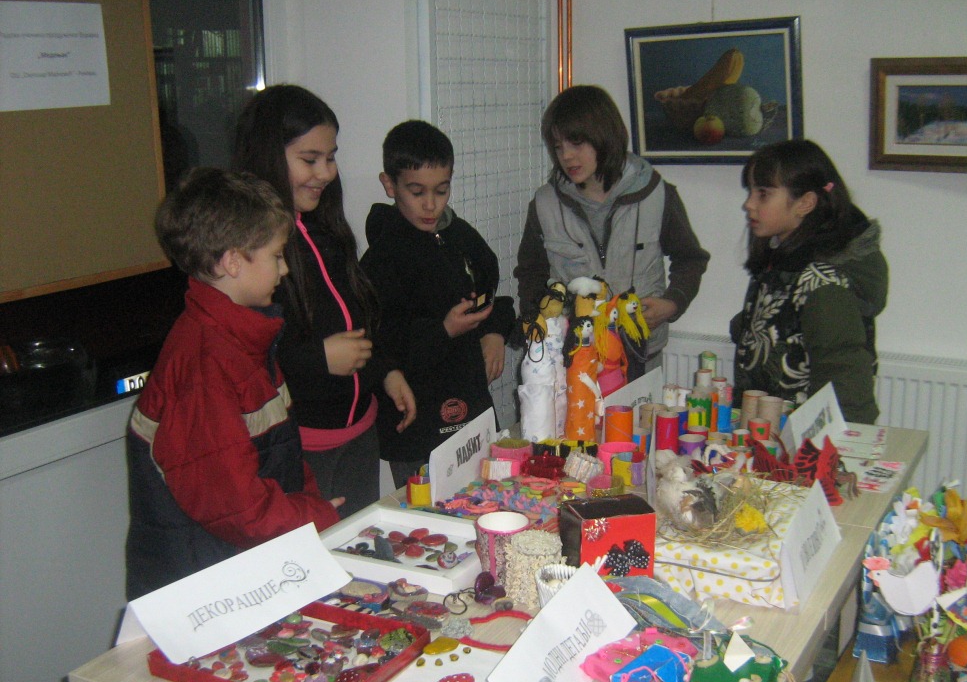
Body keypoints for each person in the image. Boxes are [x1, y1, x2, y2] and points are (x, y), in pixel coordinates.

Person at [125, 168, 344, 598]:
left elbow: (282, 454)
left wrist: (310, 508)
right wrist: (313, 518)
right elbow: (238, 508)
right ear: (232, 261)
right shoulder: (204, 363)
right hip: (203, 587)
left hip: (248, 564)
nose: (284, 269)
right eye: (276, 256)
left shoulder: (245, 338)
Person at [233, 85, 415, 513]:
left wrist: (384, 370)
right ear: (269, 157)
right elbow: (249, 355)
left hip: (360, 431)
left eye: (330, 157)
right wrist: (318, 358)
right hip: (302, 443)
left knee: (358, 544)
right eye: (310, 159)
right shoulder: (250, 253)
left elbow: (359, 318)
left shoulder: (328, 228)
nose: (327, 173)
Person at [361, 120, 516, 487]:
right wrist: (444, 330)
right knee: (425, 514)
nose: (430, 205)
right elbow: (380, 347)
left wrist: (494, 332)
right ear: (389, 185)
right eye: (416, 192)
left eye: (441, 190)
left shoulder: (460, 236)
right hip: (417, 426)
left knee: (487, 499)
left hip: (471, 410)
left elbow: (489, 298)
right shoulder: (381, 260)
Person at [514, 84, 709, 371]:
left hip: (640, 356)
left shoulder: (655, 193)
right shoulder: (545, 203)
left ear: (604, 136)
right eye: (558, 146)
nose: (566, 156)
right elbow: (531, 273)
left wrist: (673, 303)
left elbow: (690, 258)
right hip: (572, 359)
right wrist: (538, 326)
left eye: (576, 143)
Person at [731, 139, 888, 423]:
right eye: (750, 191)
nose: (749, 204)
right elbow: (788, 326)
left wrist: (840, 447)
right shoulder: (784, 259)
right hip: (769, 429)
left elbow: (844, 380)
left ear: (805, 203)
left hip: (803, 436)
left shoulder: (822, 283)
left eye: (763, 194)